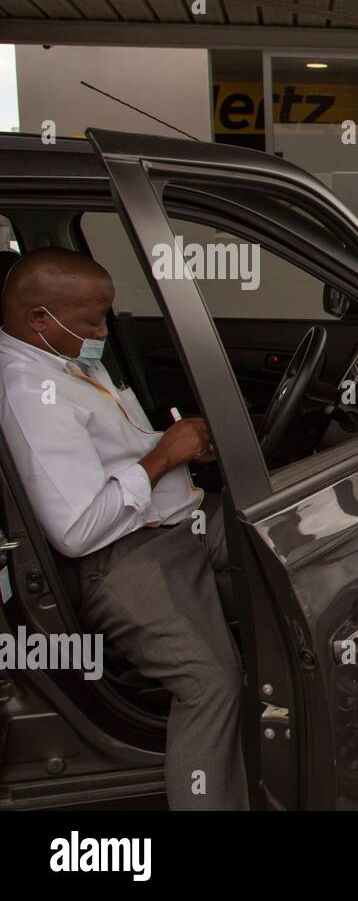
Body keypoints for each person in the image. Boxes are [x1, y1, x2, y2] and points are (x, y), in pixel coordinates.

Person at [0, 247, 248, 809]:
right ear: (41, 318)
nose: (104, 330)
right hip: (126, 557)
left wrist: (181, 447)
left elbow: (116, 456)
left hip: (178, 518)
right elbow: (79, 529)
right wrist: (162, 455)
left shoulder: (63, 358)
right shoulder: (30, 395)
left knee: (295, 536)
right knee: (210, 683)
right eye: (93, 320)